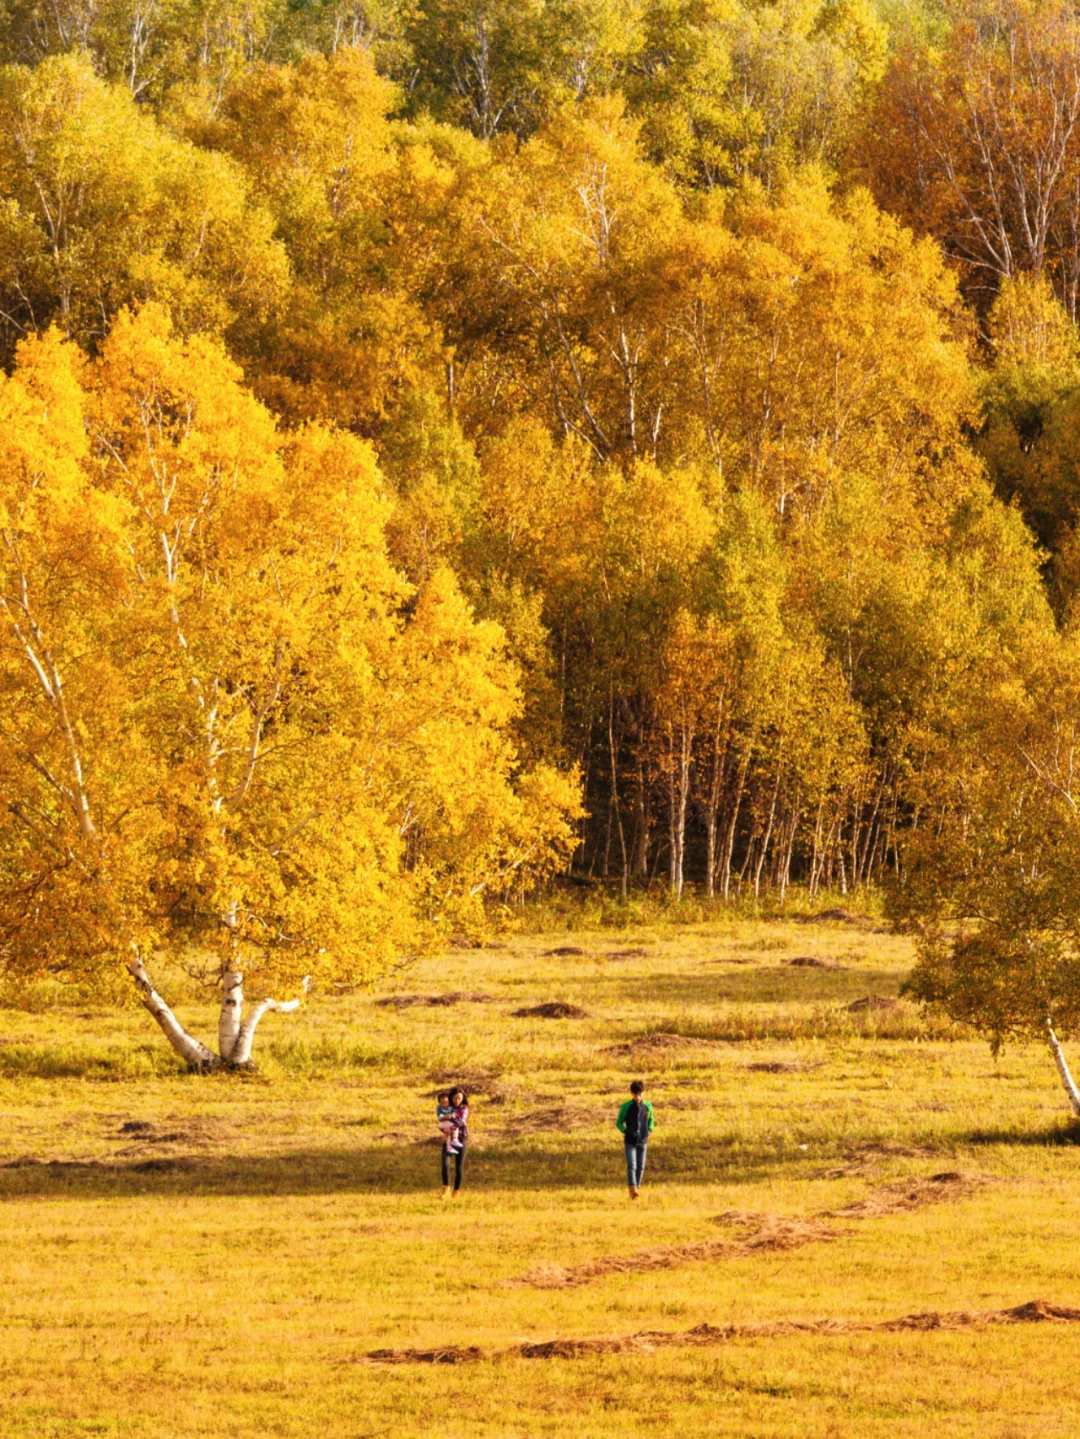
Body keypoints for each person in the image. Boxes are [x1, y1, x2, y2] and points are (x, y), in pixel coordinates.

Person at [616, 1079, 654, 1199]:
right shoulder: (625, 1106)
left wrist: (649, 1130)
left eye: (640, 1094)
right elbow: (619, 1123)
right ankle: (632, 1188)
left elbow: (651, 1120)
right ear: (631, 1094)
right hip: (630, 1141)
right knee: (632, 1165)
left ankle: (636, 1190)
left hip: (643, 1141)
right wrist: (626, 1131)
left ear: (644, 1093)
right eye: (635, 1094)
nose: (637, 1097)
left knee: (641, 1166)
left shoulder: (648, 1106)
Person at [441, 1087, 469, 1199]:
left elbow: (462, 1121)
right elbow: (442, 1121)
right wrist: (444, 1131)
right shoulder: (448, 1108)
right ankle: (446, 1189)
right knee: (445, 1164)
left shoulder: (464, 1109)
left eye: (459, 1098)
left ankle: (456, 1191)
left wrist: (451, 1129)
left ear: (462, 1099)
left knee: (459, 1167)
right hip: (448, 1139)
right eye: (455, 1098)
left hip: (460, 1139)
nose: (457, 1100)